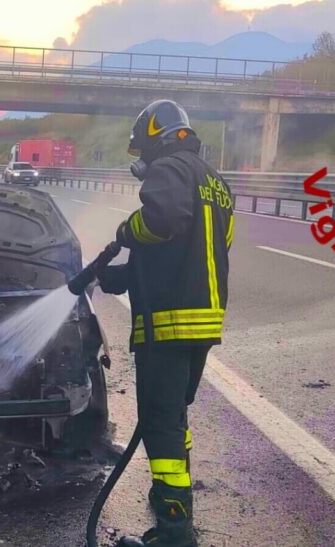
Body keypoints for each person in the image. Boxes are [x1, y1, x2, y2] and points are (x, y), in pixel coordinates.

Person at [97, 100, 234, 547]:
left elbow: (162, 221)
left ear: (157, 137)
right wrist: (126, 276)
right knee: (173, 418)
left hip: (170, 321)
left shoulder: (170, 169)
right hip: (202, 320)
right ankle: (171, 502)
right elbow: (199, 244)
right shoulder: (214, 181)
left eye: (143, 149)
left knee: (159, 423)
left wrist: (125, 231)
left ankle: (175, 533)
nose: (143, 160)